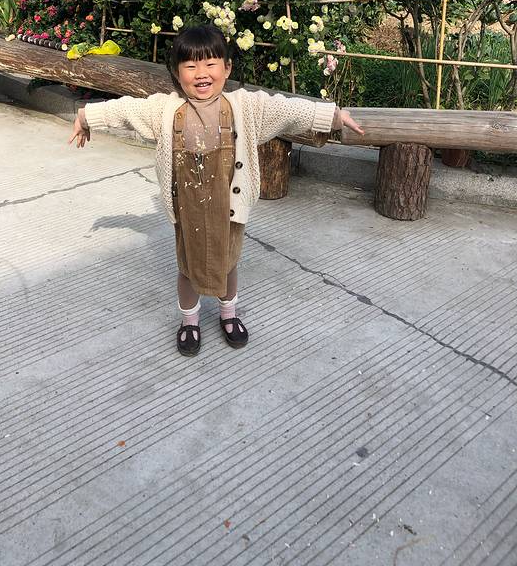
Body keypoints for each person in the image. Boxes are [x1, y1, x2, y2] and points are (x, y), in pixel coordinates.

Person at [69, 25, 364, 357]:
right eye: (191, 66)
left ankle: (228, 314)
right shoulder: (164, 110)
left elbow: (288, 109)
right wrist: (86, 116)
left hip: (229, 206)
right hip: (188, 209)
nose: (201, 73)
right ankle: (189, 322)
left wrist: (333, 115)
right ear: (176, 73)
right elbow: (125, 110)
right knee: (187, 268)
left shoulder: (245, 107)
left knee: (229, 262)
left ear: (227, 68)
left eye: (211, 64)